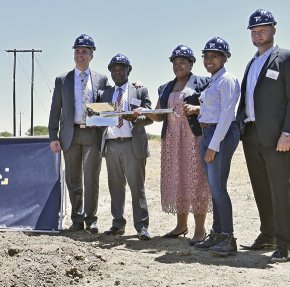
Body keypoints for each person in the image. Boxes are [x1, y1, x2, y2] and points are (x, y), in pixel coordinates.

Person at [236, 9, 290, 263]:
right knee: (261, 188)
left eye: (263, 29)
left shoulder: (288, 58)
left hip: (277, 136)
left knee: (279, 189)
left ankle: (284, 243)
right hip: (251, 134)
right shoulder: (252, 62)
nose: (258, 33)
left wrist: (288, 131)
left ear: (273, 30)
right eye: (254, 30)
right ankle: (267, 235)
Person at [146, 45, 211, 246]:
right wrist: (142, 110)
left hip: (194, 138)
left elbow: (212, 107)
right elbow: (158, 116)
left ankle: (200, 229)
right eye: (174, 63)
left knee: (197, 181)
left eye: (182, 62)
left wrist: (198, 109)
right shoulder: (166, 87)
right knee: (178, 179)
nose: (178, 66)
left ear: (192, 63)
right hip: (172, 139)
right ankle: (181, 225)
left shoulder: (202, 83)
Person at [48, 34, 109, 233]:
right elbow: (55, 109)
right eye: (77, 51)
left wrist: (136, 85)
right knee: (73, 179)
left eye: (84, 52)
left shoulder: (101, 79)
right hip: (69, 135)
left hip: (92, 134)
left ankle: (91, 219)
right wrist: (53, 136)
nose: (80, 55)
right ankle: (77, 219)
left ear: (91, 55)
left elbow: (111, 100)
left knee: (91, 178)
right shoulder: (62, 79)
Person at [185, 37, 240, 256]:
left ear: (225, 57)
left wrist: (214, 145)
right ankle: (217, 233)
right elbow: (212, 109)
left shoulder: (227, 79)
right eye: (206, 56)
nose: (209, 59)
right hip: (208, 133)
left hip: (221, 135)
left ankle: (228, 238)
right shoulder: (213, 81)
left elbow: (227, 114)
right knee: (214, 188)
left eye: (215, 55)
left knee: (218, 188)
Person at [98, 54, 152, 240]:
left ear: (129, 70)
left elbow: (150, 116)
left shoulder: (140, 90)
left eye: (121, 68)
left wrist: (137, 117)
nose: (117, 71)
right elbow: (97, 117)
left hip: (132, 144)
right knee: (115, 187)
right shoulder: (104, 94)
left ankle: (142, 227)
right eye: (114, 69)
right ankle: (118, 224)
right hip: (111, 145)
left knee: (137, 188)